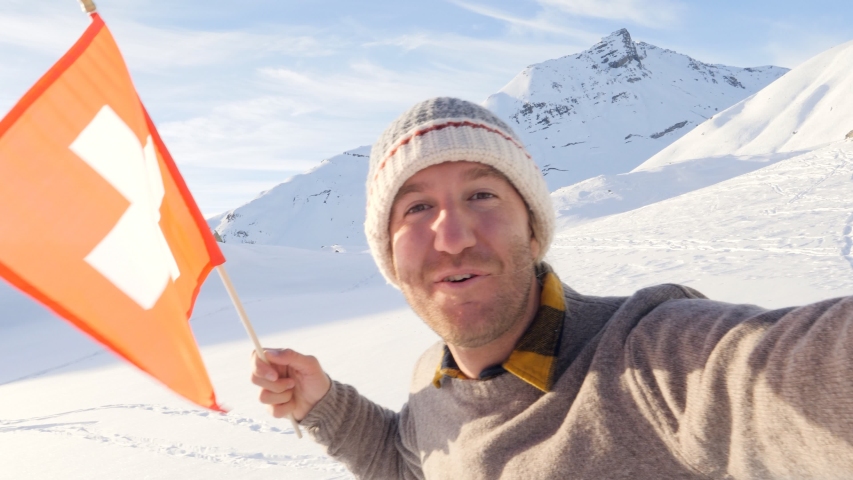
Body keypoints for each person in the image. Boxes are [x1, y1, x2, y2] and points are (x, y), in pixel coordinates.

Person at [251, 97, 853, 479]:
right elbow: (412, 463)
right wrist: (323, 404)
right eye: (415, 208)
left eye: (482, 195)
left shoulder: (654, 362)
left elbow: (769, 374)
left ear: (534, 228)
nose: (453, 237)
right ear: (389, 254)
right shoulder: (433, 379)